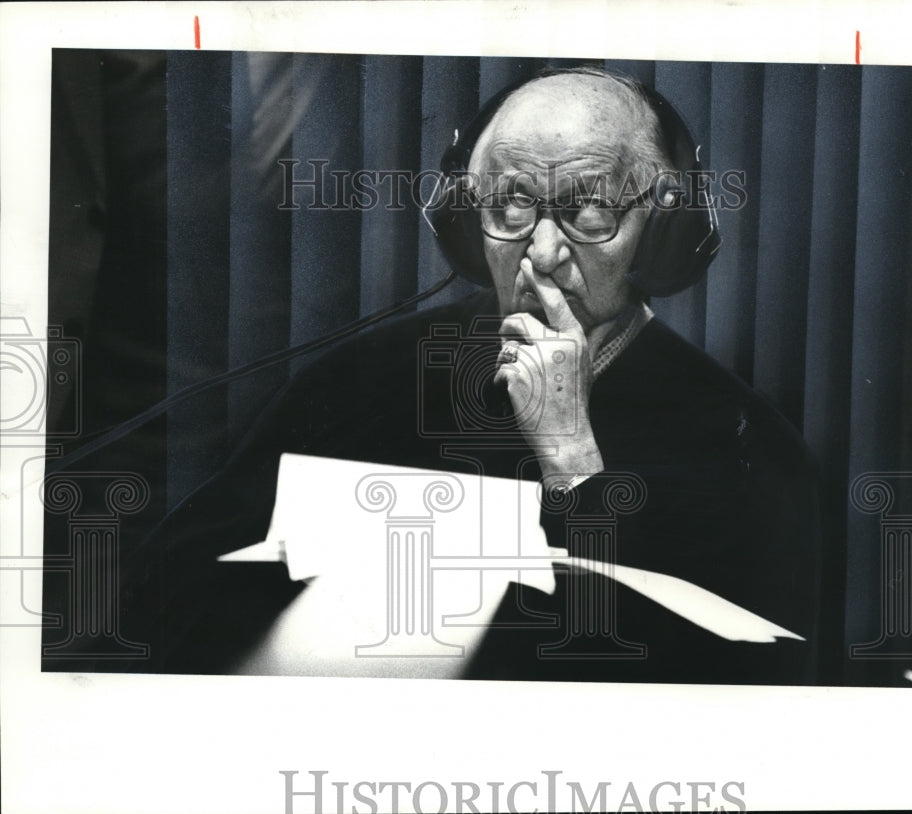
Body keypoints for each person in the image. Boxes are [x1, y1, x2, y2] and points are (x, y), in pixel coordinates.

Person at [119, 67, 822, 683]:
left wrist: (574, 463)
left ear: (663, 229)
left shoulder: (740, 438)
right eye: (511, 204)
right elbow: (172, 588)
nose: (543, 253)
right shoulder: (367, 375)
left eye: (591, 208)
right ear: (466, 220)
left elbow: (726, 680)